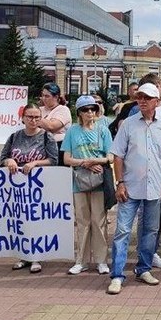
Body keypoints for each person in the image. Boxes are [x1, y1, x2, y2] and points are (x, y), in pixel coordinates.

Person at [107, 83, 161, 294]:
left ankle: (144, 268)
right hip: (129, 187)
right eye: (140, 97)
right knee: (122, 231)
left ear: (157, 101)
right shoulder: (127, 124)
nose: (142, 100)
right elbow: (118, 155)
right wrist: (119, 183)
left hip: (155, 187)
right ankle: (117, 275)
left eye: (147, 97)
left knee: (151, 231)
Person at [0, 104, 58, 273]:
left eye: (37, 117)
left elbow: (53, 160)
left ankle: (36, 256)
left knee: (37, 221)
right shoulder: (14, 137)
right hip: (17, 187)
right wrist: (9, 161)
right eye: (30, 117)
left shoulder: (47, 137)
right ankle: (23, 255)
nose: (33, 120)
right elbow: (3, 158)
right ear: (23, 118)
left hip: (39, 186)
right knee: (21, 221)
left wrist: (35, 163)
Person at [61, 95, 113, 276]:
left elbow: (111, 156)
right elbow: (66, 158)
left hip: (99, 181)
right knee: (82, 221)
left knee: (99, 222)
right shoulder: (72, 131)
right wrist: (85, 162)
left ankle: (101, 260)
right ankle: (81, 260)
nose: (90, 112)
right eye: (85, 109)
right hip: (79, 181)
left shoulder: (103, 130)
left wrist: (95, 160)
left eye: (93, 109)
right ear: (79, 113)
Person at [38, 82, 72, 165]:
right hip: (41, 146)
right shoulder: (39, 110)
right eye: (42, 95)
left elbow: (52, 126)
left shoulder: (63, 110)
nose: (43, 98)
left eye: (47, 96)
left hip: (59, 147)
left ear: (56, 97)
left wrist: (34, 117)